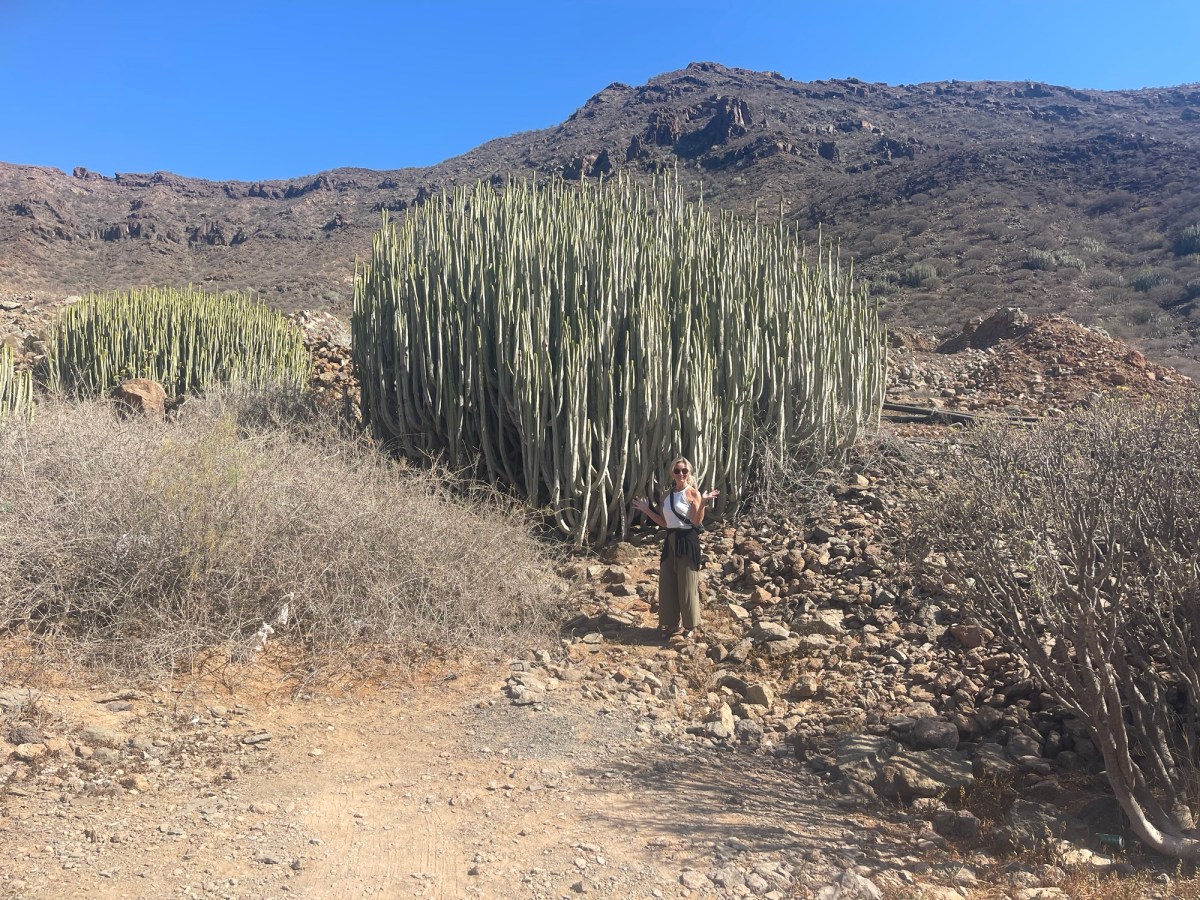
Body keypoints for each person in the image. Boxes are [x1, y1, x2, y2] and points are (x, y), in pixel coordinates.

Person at [632, 457, 720, 640]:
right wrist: (647, 510)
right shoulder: (667, 496)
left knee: (687, 583)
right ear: (672, 473)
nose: (681, 474)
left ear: (689, 473)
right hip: (671, 539)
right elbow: (664, 523)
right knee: (668, 581)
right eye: (678, 470)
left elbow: (697, 521)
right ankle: (671, 623)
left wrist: (703, 503)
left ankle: (690, 625)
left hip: (687, 538)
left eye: (685, 471)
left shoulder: (692, 493)